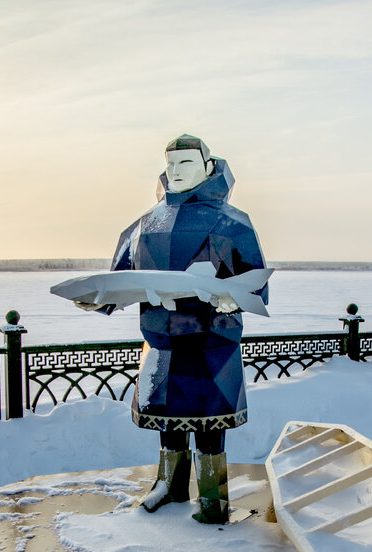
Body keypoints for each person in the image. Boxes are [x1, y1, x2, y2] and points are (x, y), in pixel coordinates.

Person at [110, 134, 267, 524]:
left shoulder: (233, 223)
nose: (176, 172)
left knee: (210, 427)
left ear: (209, 167)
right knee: (168, 423)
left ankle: (213, 497)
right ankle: (170, 486)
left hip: (212, 343)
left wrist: (236, 296)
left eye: (187, 164)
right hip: (161, 341)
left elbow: (255, 279)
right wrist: (99, 297)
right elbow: (119, 279)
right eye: (172, 164)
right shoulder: (144, 224)